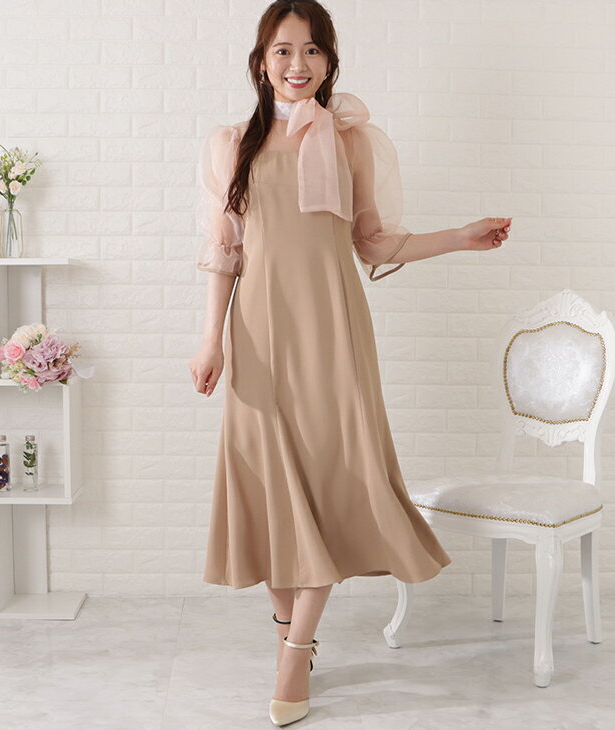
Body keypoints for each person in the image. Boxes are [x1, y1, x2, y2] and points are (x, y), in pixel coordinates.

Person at [189, 1, 512, 725]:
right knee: (269, 493)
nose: (297, 64)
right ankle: (290, 634)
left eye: (312, 50)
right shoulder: (229, 144)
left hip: (334, 334)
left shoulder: (350, 142)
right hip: (258, 336)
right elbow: (223, 252)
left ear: (330, 62)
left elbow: (375, 243)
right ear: (260, 61)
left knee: (334, 483)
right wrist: (210, 339)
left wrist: (459, 238)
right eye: (283, 50)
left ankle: (294, 654)